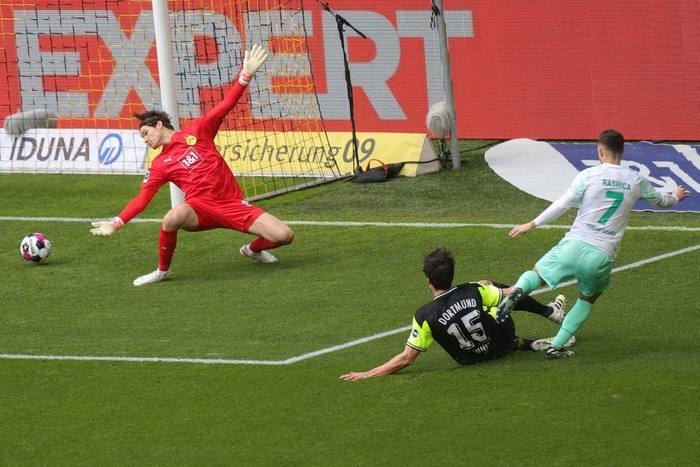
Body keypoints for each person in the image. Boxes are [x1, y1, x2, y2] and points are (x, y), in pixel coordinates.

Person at [90, 45, 294, 286]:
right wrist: (116, 223)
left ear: (158, 124)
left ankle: (251, 250)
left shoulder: (198, 130)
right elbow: (142, 199)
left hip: (231, 203)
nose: (145, 140)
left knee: (285, 235)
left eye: (145, 133)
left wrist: (244, 76)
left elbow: (225, 106)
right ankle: (162, 271)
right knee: (171, 217)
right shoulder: (159, 164)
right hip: (200, 209)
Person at [496, 129, 689, 359]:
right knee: (588, 297)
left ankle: (520, 289)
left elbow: (563, 204)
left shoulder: (589, 175)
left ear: (599, 150)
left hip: (574, 244)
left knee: (537, 274)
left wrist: (532, 223)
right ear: (623, 151)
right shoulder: (636, 180)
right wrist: (676, 196)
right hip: (602, 255)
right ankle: (556, 345)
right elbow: (662, 200)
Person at [340, 248, 570, 381]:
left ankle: (523, 343)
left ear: (428, 281)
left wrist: (368, 373)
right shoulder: (472, 289)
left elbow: (406, 359)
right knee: (494, 291)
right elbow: (513, 294)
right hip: (498, 344)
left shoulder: (423, 315)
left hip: (470, 361)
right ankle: (549, 313)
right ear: (451, 274)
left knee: (485, 301)